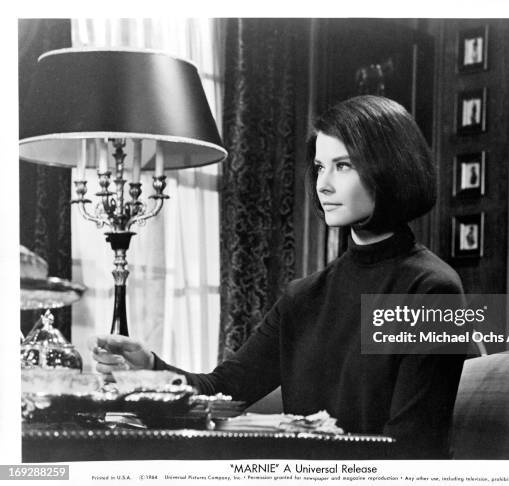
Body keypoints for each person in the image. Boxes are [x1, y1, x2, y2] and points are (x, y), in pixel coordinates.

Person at [91, 95, 466, 458]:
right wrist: (150, 369)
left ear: (392, 169)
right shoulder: (302, 297)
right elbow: (222, 390)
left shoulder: (431, 290)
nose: (323, 185)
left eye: (344, 165)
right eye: (319, 167)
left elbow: (413, 450)